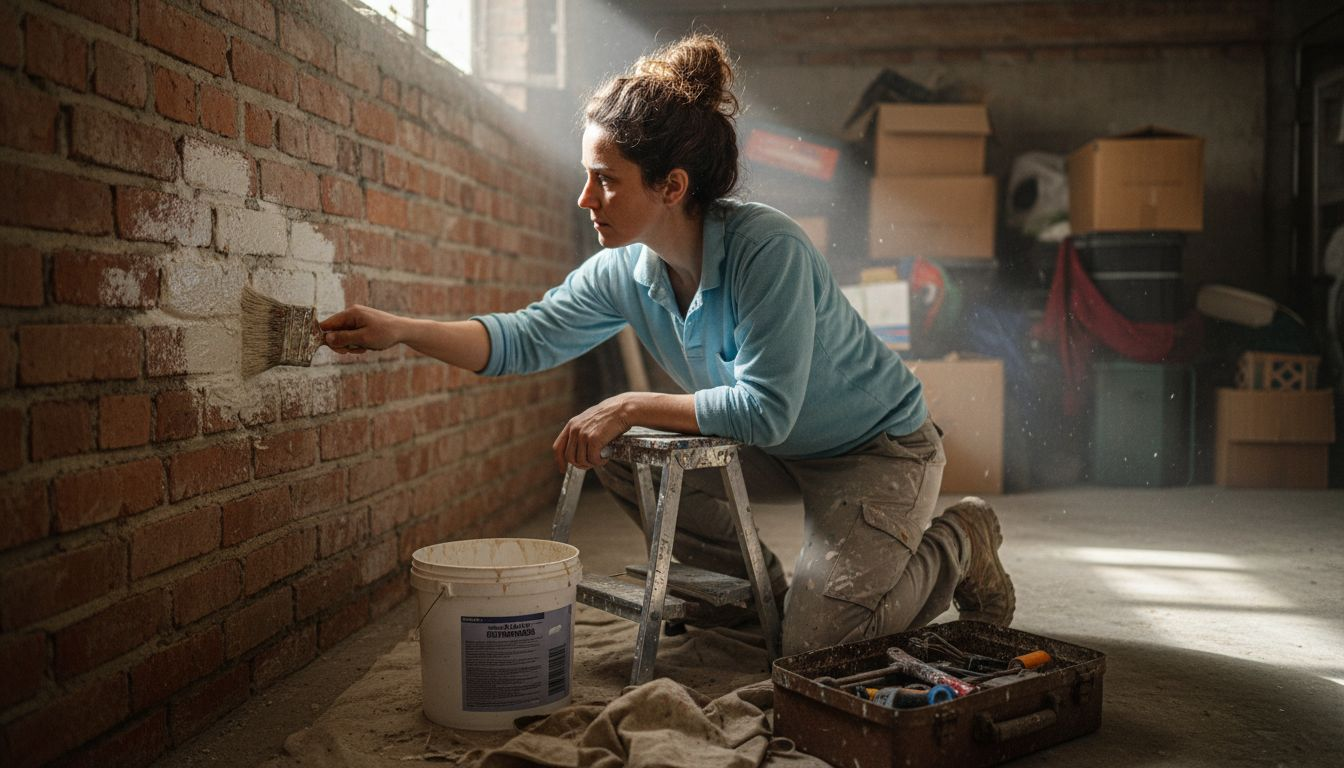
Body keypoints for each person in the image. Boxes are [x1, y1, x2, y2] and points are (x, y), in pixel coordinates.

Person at [319, 33, 1014, 655]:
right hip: (772, 446)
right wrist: (400, 331)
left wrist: (629, 402)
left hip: (874, 449)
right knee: (622, 449)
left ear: (672, 186)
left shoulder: (767, 249)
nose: (586, 198)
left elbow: (767, 409)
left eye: (605, 179)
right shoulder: (625, 269)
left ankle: (963, 540)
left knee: (819, 650)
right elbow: (522, 339)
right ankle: (750, 598)